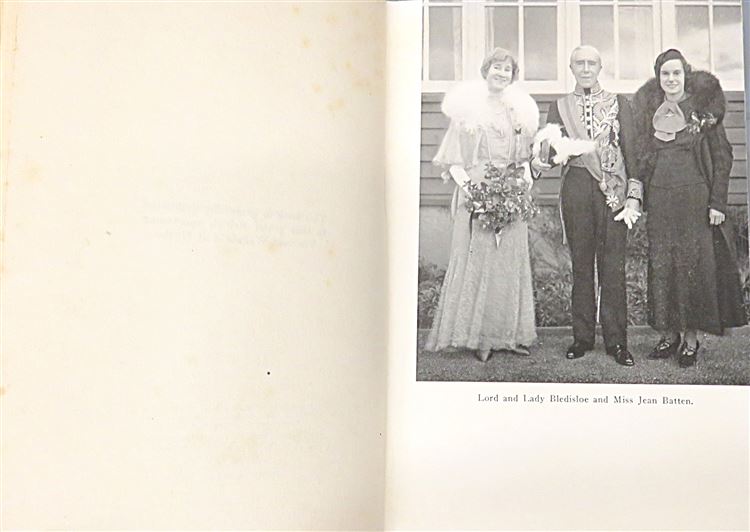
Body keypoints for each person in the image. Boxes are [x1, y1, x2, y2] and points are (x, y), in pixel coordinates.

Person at [631, 49, 746, 367]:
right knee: (663, 267)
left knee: (692, 269)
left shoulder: (703, 111)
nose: (671, 79)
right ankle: (669, 336)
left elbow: (722, 158)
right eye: (665, 74)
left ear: (685, 75)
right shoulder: (649, 113)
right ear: (658, 78)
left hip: (694, 201)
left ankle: (691, 340)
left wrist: (717, 203)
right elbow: (641, 158)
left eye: (676, 73)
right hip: (660, 201)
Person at [424, 48, 539, 362]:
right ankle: (481, 337)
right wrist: (474, 192)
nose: (501, 73)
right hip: (477, 189)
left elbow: (524, 158)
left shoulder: (518, 111)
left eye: (507, 69)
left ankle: (508, 336)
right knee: (482, 260)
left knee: (508, 262)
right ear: (486, 71)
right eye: (496, 67)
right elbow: (454, 161)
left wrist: (522, 185)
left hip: (511, 189)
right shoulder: (468, 110)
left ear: (512, 76)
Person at [531, 45, 642, 367]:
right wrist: (542, 156)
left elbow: (631, 150)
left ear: (599, 67)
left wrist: (634, 194)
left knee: (613, 266)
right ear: (571, 68)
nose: (585, 68)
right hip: (577, 188)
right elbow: (551, 154)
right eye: (579, 63)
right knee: (581, 266)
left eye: (591, 62)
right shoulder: (559, 107)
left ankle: (617, 341)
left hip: (613, 188)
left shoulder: (620, 103)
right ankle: (582, 338)